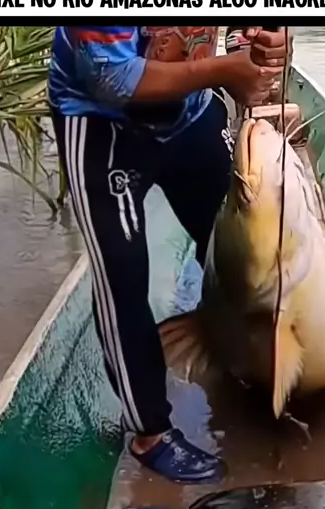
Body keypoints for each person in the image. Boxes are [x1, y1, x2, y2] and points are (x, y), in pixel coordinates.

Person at [48, 25, 292, 485]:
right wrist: (225, 71)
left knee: (239, 247)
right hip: (101, 124)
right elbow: (111, 78)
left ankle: (250, 362)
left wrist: (264, 43)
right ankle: (150, 433)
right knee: (121, 278)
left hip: (190, 112)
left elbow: (252, 27)